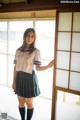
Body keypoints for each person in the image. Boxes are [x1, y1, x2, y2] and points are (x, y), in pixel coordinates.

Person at [12, 28, 54, 120]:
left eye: (32, 36)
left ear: (34, 38)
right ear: (24, 36)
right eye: (28, 35)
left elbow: (38, 68)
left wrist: (48, 66)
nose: (30, 38)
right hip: (19, 78)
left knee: (29, 103)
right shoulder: (18, 50)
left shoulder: (36, 51)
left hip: (30, 78)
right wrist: (14, 81)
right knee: (21, 102)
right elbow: (15, 67)